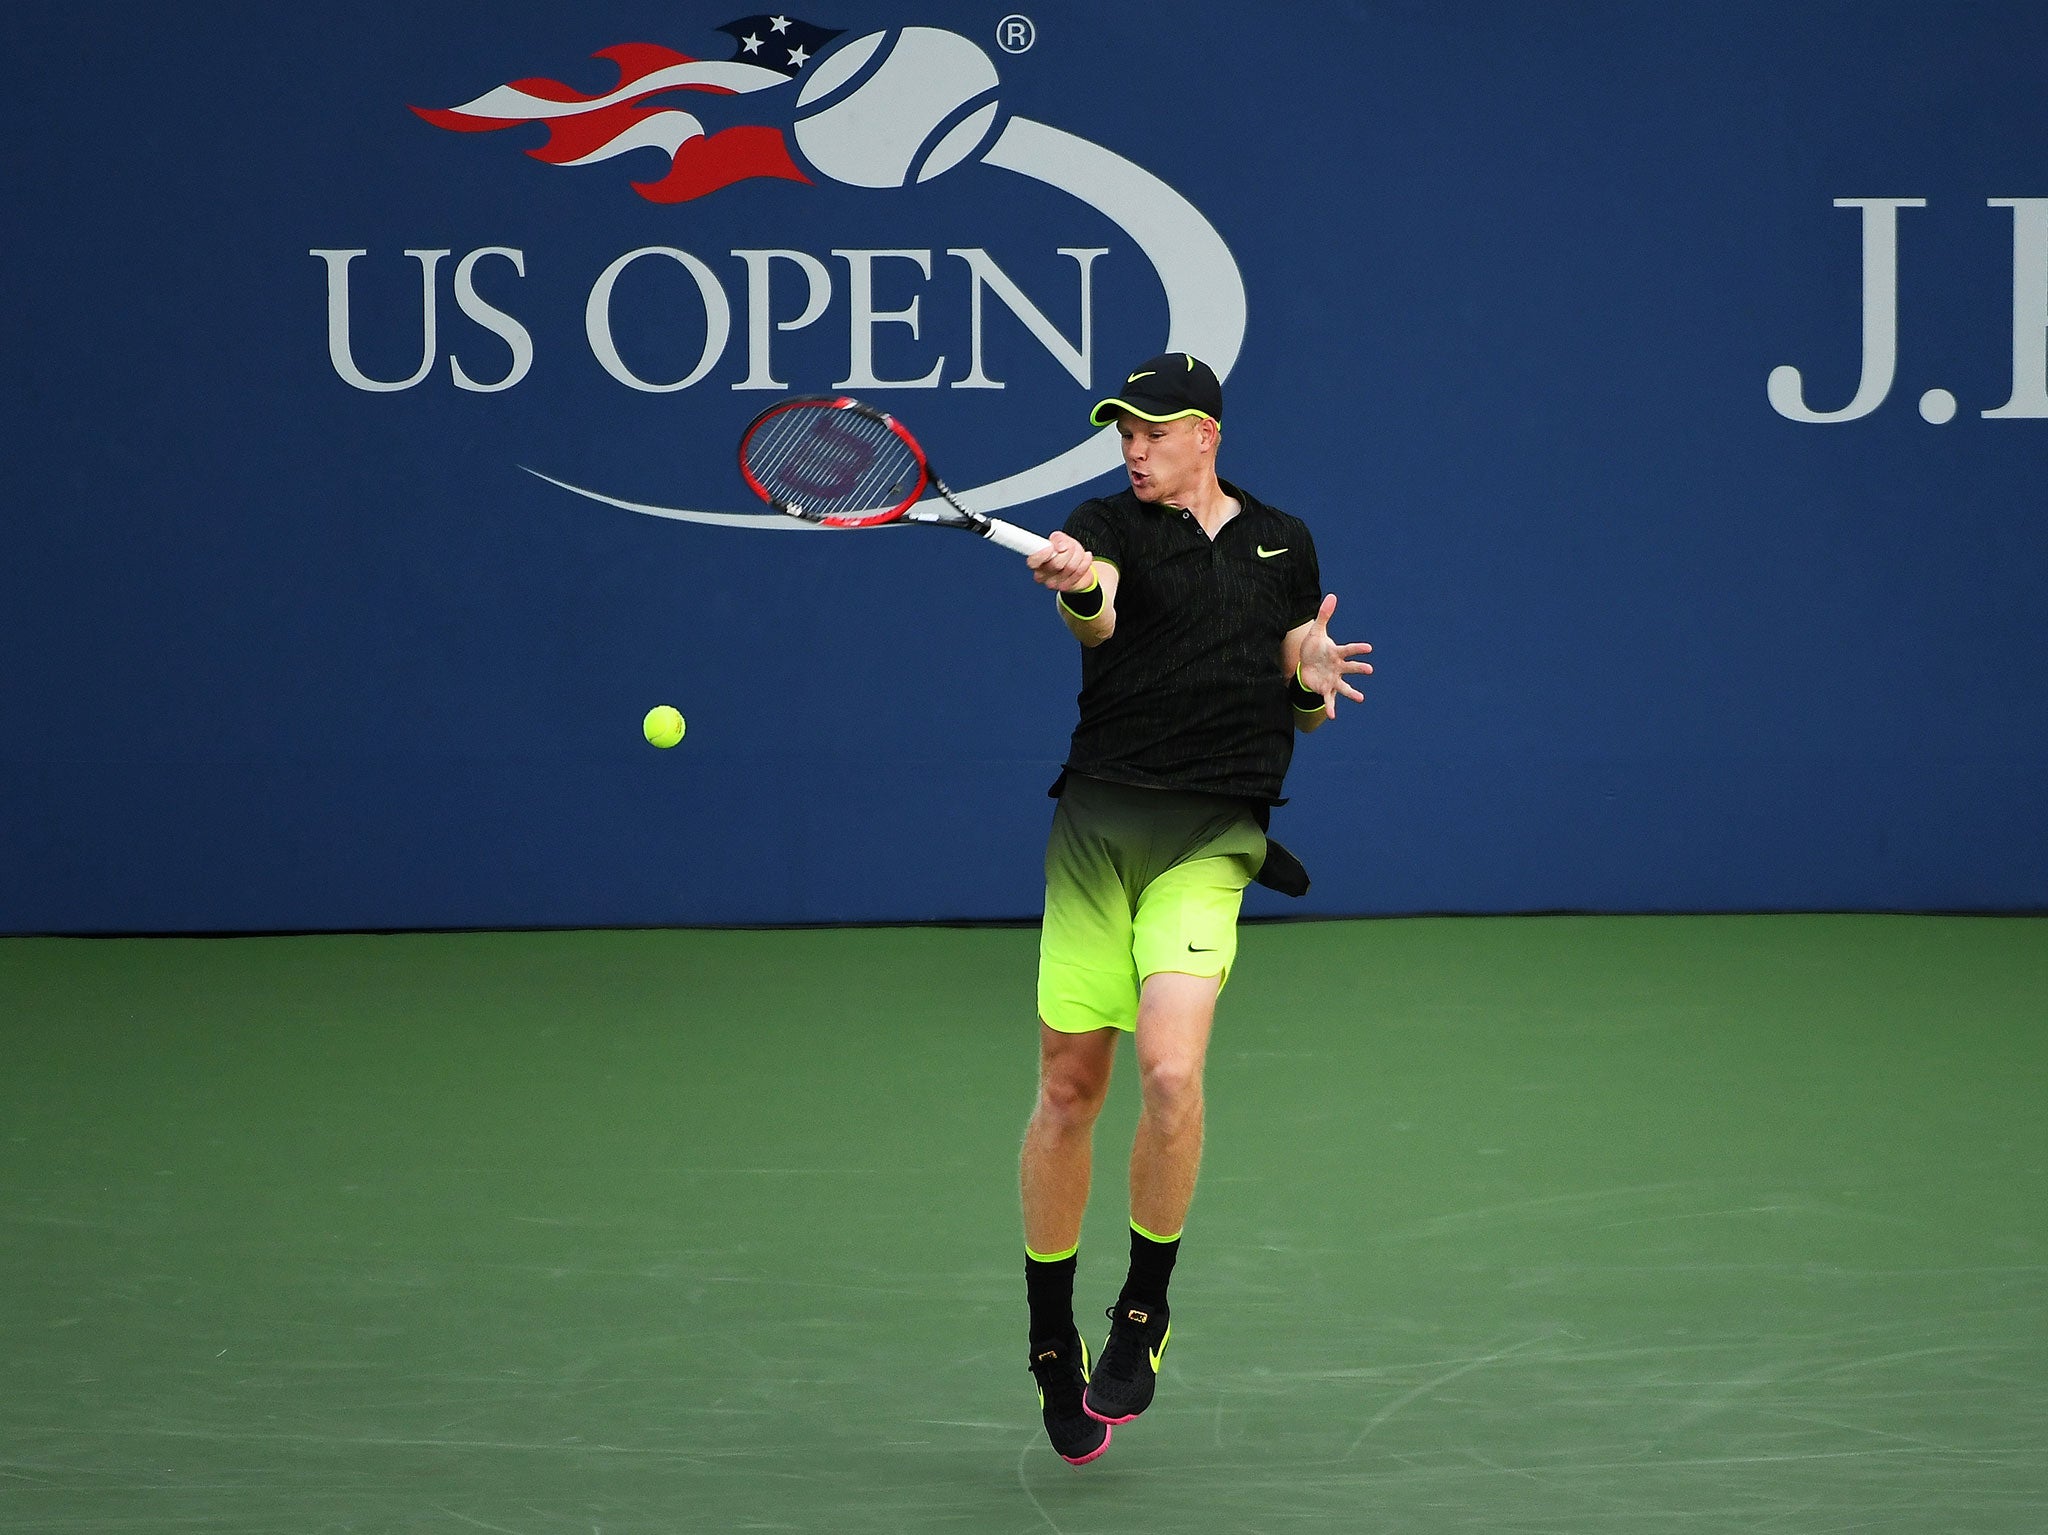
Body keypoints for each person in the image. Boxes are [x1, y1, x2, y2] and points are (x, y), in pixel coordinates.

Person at [1016, 353, 1373, 1465]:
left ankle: (1142, 1304)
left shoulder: (1283, 541)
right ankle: (1046, 1336)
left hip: (1210, 836)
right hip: (1097, 831)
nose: (1133, 446)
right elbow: (1098, 617)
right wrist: (1078, 582)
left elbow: (1299, 700)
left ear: (1206, 433)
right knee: (1071, 1087)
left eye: (1153, 429)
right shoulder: (1101, 523)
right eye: (1123, 428)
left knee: (1169, 1070)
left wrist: (1308, 677)